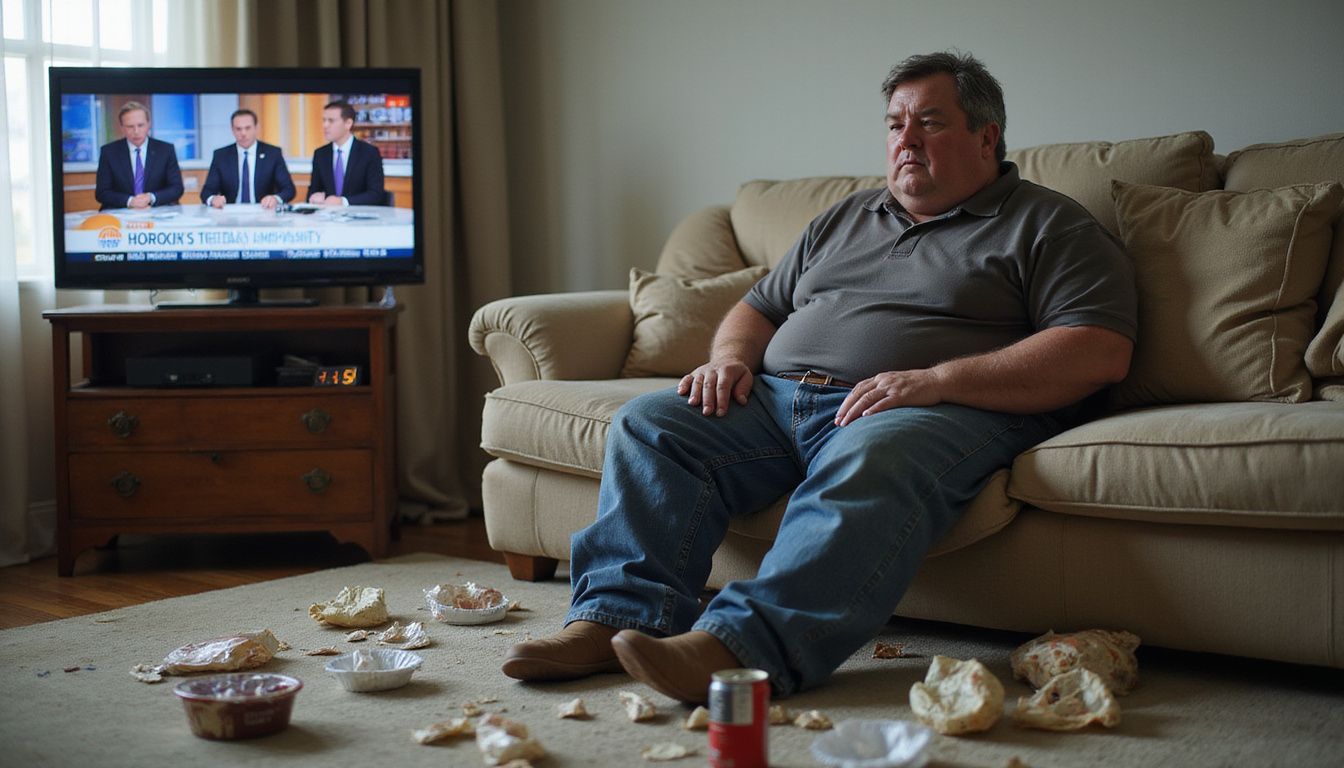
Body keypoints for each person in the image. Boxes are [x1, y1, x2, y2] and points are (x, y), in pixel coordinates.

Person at [500, 51, 1138, 703]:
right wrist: (729, 360)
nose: (906, 140)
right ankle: (613, 620)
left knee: (875, 456)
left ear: (986, 136)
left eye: (930, 123)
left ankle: (743, 651)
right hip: (778, 401)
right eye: (895, 125)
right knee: (654, 424)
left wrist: (937, 379)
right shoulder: (848, 216)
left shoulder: (1048, 224)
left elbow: (1098, 349)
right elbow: (759, 308)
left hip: (928, 410)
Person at [94, 101, 183, 210]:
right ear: (122, 127)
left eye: (140, 125)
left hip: (157, 211)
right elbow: (102, 192)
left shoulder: (165, 150)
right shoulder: (109, 152)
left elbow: (177, 188)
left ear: (149, 124)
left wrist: (150, 197)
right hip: (121, 212)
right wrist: (130, 201)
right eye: (130, 126)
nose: (136, 131)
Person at [200, 109, 296, 209]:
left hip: (264, 213)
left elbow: (289, 189)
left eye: (248, 128)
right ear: (232, 130)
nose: (243, 133)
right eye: (238, 129)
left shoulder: (273, 153)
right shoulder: (221, 155)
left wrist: (276, 199)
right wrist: (213, 199)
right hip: (230, 214)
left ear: (256, 128)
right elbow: (207, 191)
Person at [306, 100, 386, 206]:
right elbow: (312, 191)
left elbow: (376, 194)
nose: (325, 125)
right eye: (324, 120)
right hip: (327, 218)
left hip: (359, 217)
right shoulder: (320, 154)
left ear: (348, 123)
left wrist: (343, 201)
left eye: (331, 121)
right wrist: (315, 197)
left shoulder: (369, 152)